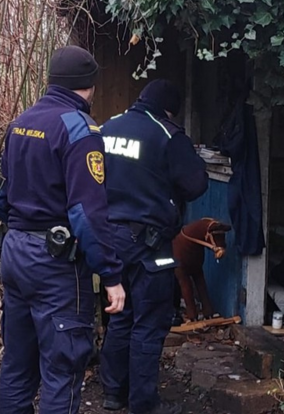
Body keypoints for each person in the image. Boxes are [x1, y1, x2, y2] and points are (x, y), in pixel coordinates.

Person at [0, 45, 126, 414]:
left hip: (15, 251)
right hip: (55, 265)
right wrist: (111, 274)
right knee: (62, 371)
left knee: (17, 367)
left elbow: (2, 198)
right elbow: (88, 213)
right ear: (90, 86)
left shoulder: (20, 122)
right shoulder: (80, 129)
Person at [99, 79, 208, 414]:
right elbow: (196, 185)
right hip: (149, 244)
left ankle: (113, 394)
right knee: (149, 321)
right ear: (169, 108)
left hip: (109, 237)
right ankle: (143, 404)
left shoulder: (107, 128)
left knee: (121, 316)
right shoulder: (167, 134)